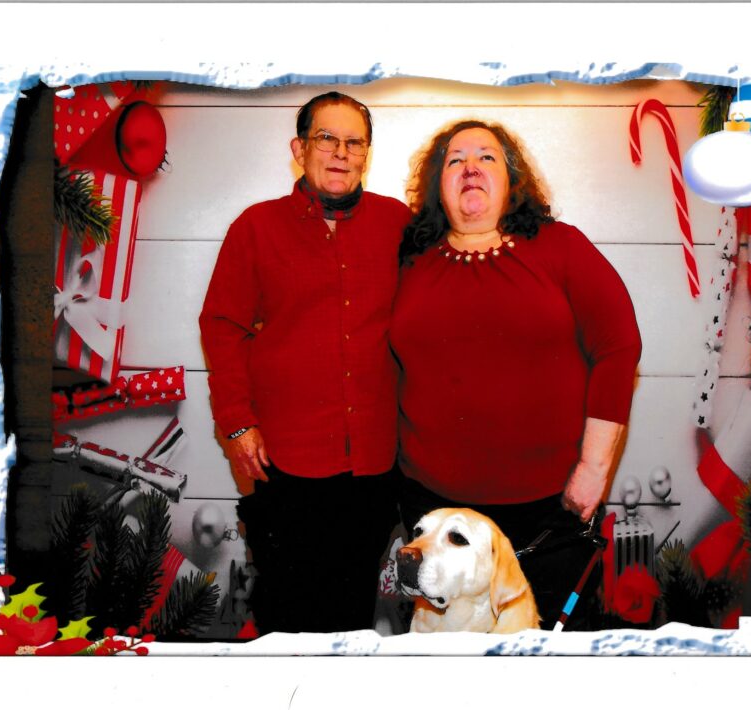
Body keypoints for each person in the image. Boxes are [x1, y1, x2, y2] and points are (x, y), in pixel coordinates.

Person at [391, 119, 642, 630]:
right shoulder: (411, 260)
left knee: (536, 652)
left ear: (512, 179)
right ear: (438, 183)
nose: (470, 168)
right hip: (432, 507)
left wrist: (594, 470)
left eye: (487, 157)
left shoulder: (560, 247)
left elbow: (618, 347)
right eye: (455, 159)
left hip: (547, 512)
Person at [199, 92, 410, 634]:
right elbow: (222, 328)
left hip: (374, 466)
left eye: (353, 142)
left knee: (351, 615)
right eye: (326, 139)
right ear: (299, 148)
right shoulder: (256, 227)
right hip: (284, 463)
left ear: (366, 154)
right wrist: (238, 424)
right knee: (285, 614)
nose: (340, 153)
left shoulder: (400, 225)